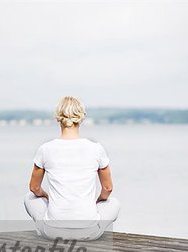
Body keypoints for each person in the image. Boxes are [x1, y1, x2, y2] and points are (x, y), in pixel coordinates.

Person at [24, 96, 120, 240]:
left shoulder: (45, 149)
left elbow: (34, 188)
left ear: (58, 118)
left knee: (29, 198)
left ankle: (43, 228)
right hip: (89, 232)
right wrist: (97, 202)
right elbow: (108, 189)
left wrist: (46, 196)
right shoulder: (96, 149)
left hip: (53, 232)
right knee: (114, 202)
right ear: (81, 118)